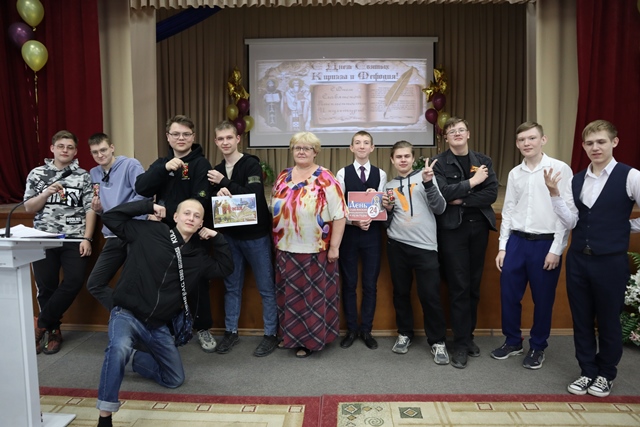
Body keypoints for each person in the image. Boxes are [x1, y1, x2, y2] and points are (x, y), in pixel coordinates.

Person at [95, 199, 233, 427]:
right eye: (186, 213)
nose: (191, 218)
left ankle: (136, 359)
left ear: (201, 224)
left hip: (157, 325)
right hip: (127, 314)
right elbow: (111, 218)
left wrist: (217, 238)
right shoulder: (150, 232)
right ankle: (105, 416)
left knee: (175, 378)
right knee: (118, 348)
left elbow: (225, 268)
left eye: (196, 216)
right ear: (175, 217)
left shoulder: (197, 257)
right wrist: (147, 207)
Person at [545, 119, 640, 398]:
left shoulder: (631, 176)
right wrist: (554, 195)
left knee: (609, 320)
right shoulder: (576, 180)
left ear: (614, 142)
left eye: (601, 142)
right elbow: (571, 221)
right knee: (582, 319)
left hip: (610, 262)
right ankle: (587, 370)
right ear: (583, 146)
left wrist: (626, 228)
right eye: (589, 143)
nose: (595, 147)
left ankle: (606, 374)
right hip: (578, 260)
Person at [492, 122, 573, 370]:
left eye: (532, 138)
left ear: (543, 140)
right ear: (517, 144)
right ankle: (513, 341)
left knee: (543, 299)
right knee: (509, 296)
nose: (526, 143)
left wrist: (556, 249)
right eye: (522, 140)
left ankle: (538, 346)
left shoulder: (560, 168)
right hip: (516, 242)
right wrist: (503, 247)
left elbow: (566, 213)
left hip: (545, 243)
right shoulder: (514, 173)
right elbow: (508, 210)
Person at [135, 115, 217, 352]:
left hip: (192, 233)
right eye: (176, 134)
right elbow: (141, 187)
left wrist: (183, 220)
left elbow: (201, 199)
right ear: (168, 137)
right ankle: (164, 327)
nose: (181, 138)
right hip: (164, 235)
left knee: (197, 282)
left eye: (186, 134)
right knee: (164, 281)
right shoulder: (162, 163)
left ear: (193, 137)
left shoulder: (201, 164)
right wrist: (163, 169)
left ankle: (202, 327)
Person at [271, 132, 347, 358]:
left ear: (315, 152)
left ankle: (310, 341)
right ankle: (290, 337)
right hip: (285, 248)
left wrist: (334, 247)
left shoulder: (326, 178)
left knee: (311, 299)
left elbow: (340, 215)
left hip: (315, 250)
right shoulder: (283, 176)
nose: (301, 151)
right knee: (288, 297)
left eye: (307, 148)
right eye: (297, 148)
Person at [207, 121, 279, 357]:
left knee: (266, 287)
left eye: (229, 137)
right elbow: (213, 203)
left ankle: (271, 334)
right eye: (221, 139)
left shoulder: (250, 163)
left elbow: (255, 195)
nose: (225, 142)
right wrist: (217, 192)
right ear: (216, 142)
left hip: (256, 237)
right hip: (229, 237)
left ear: (238, 139)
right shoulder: (216, 170)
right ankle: (231, 332)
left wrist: (225, 183)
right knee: (231, 287)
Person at [432, 117, 498, 369]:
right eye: (452, 131)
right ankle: (459, 344)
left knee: (473, 285)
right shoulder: (439, 163)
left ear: (468, 134)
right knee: (459, 286)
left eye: (461, 130)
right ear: (446, 137)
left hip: (479, 227)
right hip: (453, 230)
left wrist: (463, 199)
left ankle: (467, 337)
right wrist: (472, 183)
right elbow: (443, 193)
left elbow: (491, 193)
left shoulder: (483, 161)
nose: (457, 134)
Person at [24, 130, 96, 355]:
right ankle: (53, 330)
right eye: (61, 146)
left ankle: (41, 323)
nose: (65, 150)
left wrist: (87, 237)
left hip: (74, 238)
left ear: (75, 151)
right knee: (46, 286)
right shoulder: (37, 174)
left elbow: (90, 208)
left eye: (70, 147)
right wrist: (45, 193)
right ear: (52, 148)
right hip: (43, 239)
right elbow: (29, 207)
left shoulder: (83, 176)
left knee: (74, 281)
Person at [382, 140, 449, 365]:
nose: (403, 160)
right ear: (392, 160)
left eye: (406, 156)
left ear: (413, 158)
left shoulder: (426, 177)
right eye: (398, 157)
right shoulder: (388, 186)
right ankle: (404, 334)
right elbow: (385, 222)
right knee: (400, 293)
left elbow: (440, 208)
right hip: (397, 245)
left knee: (430, 295)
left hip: (425, 247)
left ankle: (437, 341)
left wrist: (429, 184)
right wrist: (387, 210)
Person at [335, 130, 387, 350]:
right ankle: (351, 330)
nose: (362, 146)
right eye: (358, 142)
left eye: (366, 143)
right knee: (349, 284)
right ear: (351, 148)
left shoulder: (380, 174)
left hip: (372, 235)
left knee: (369, 284)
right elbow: (339, 207)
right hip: (349, 234)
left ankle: (366, 329)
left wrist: (376, 199)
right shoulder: (342, 173)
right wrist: (353, 222)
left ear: (372, 148)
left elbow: (383, 207)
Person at [86, 133, 148, 311]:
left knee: (134, 285)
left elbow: (144, 195)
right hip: (112, 234)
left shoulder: (130, 165)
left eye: (103, 150)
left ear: (112, 148)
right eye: (95, 152)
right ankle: (125, 317)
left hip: (133, 231)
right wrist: (98, 209)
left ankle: (136, 321)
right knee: (94, 283)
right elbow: (103, 207)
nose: (100, 155)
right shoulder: (94, 173)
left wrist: (120, 214)